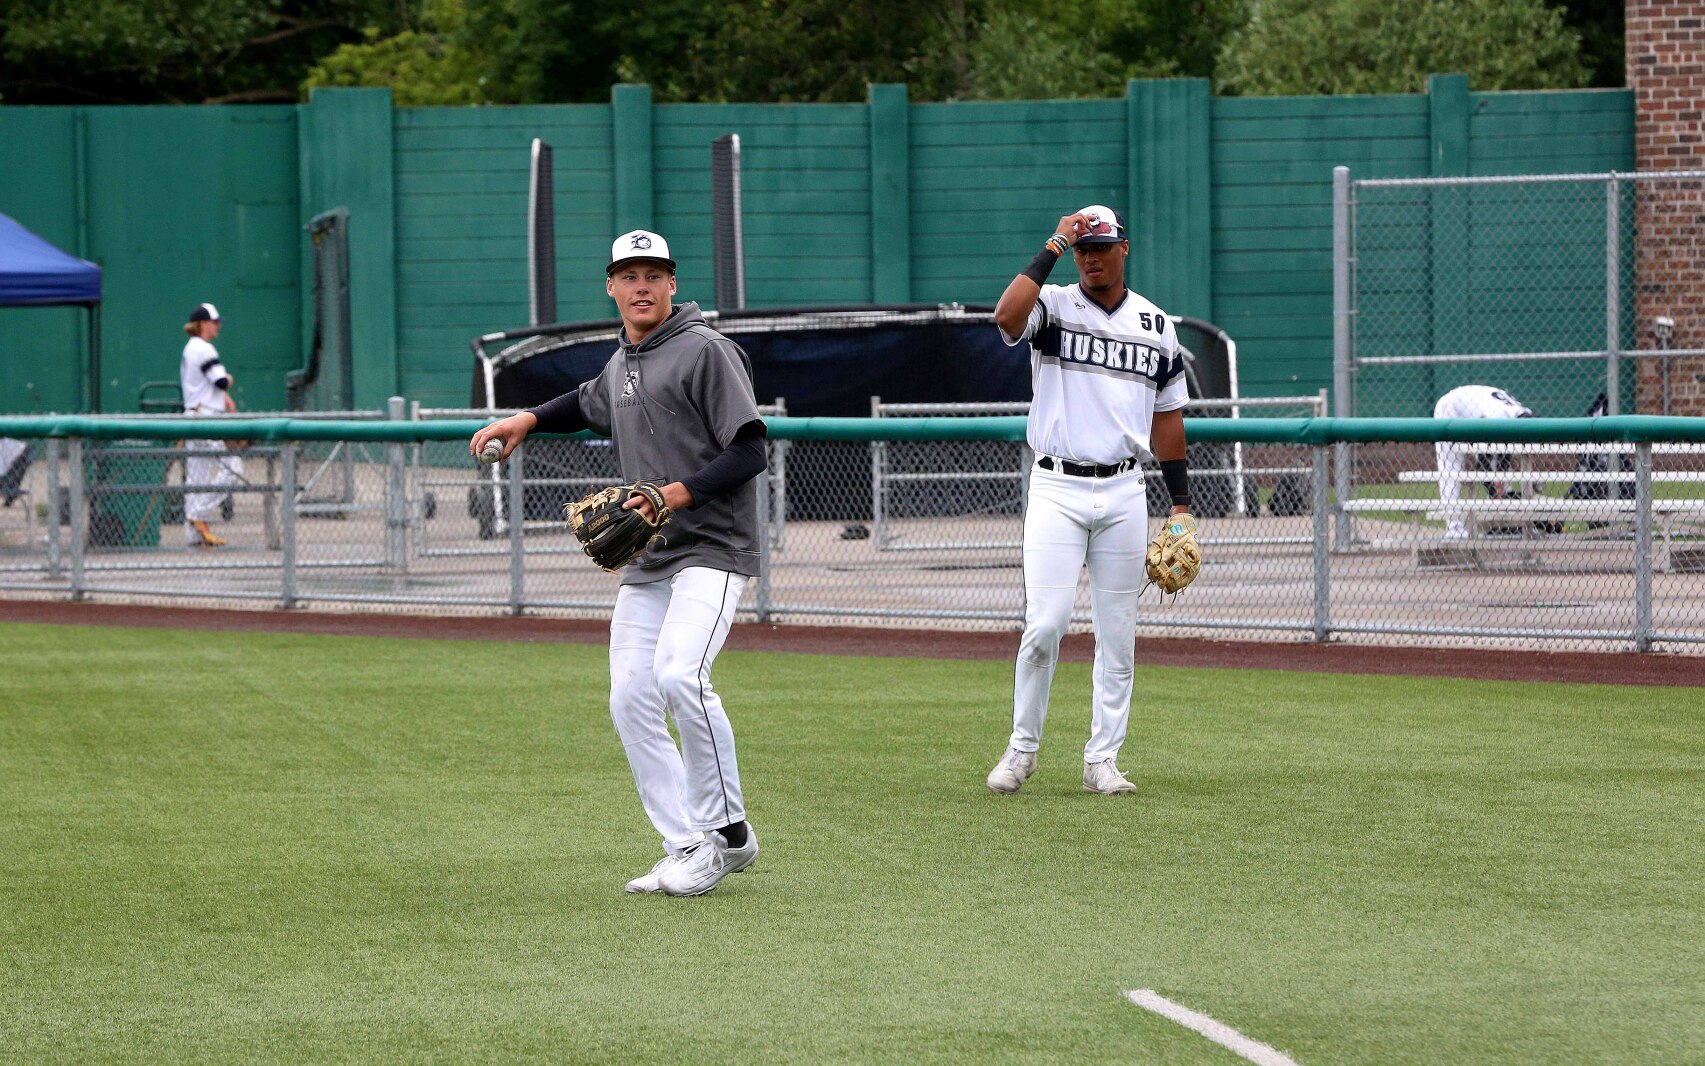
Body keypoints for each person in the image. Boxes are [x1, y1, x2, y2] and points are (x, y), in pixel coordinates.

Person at [470, 229, 767, 897]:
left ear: (671, 283)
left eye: (653, 274)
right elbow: (584, 400)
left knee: (678, 676)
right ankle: (684, 842)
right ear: (610, 286)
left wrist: (671, 494)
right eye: (628, 274)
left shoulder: (706, 351)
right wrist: (525, 418)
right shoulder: (622, 362)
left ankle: (728, 835)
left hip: (713, 551)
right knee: (630, 696)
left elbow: (750, 451)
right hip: (650, 561)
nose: (641, 285)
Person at [985, 205, 1193, 797]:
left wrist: (1181, 506)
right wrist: (1052, 242)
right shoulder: (1051, 306)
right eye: (1083, 248)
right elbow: (1005, 315)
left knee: (1118, 633)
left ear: (1124, 248)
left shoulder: (1156, 325)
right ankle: (1022, 750)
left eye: (1101, 245)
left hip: (1126, 490)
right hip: (1056, 485)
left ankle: (1102, 758)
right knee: (1045, 626)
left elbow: (1168, 418)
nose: (1092, 255)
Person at [1432, 384, 1534, 539]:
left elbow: (1505, 452)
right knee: (1451, 468)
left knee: (1502, 477)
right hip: (1450, 409)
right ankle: (1454, 529)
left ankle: (1503, 525)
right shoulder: (1499, 418)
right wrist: (1493, 490)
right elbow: (1483, 464)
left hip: (1475, 410)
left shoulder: (1520, 414)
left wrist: (1499, 478)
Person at [179, 303, 243, 547]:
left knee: (197, 477)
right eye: (215, 322)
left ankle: (193, 536)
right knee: (233, 467)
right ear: (203, 324)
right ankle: (198, 515)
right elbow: (221, 381)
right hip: (206, 417)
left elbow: (209, 385)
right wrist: (228, 380)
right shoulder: (204, 348)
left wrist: (222, 396)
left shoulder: (191, 348)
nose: (218, 326)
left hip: (194, 413)